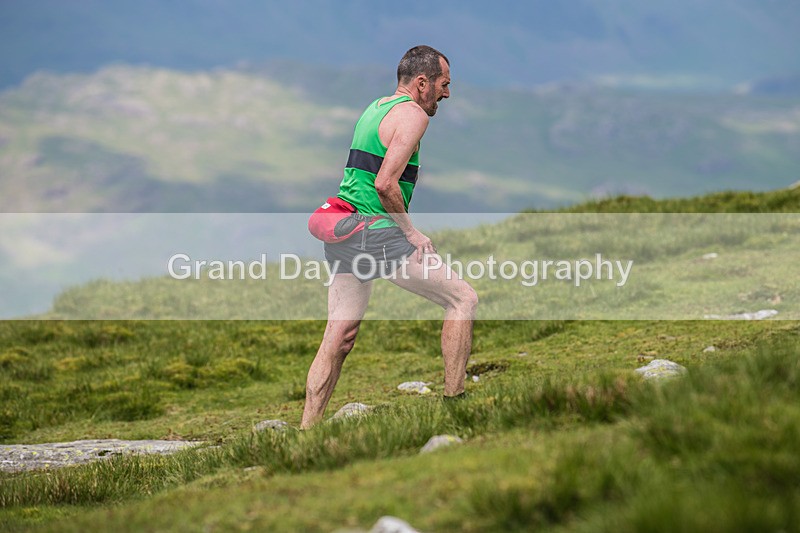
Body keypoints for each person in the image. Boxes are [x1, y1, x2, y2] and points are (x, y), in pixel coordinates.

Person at [300, 45, 478, 429]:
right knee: (462, 299)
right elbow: (385, 184)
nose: (447, 93)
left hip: (345, 232)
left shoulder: (375, 108)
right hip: (379, 234)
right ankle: (456, 405)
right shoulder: (413, 115)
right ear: (422, 82)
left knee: (338, 336)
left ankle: (307, 432)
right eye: (444, 84)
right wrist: (412, 233)